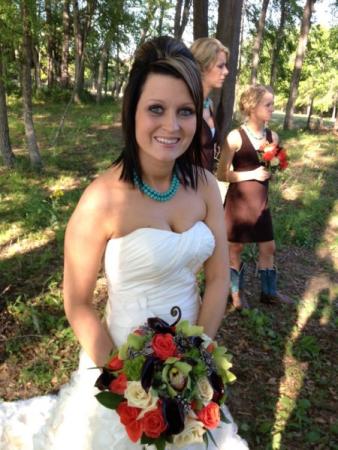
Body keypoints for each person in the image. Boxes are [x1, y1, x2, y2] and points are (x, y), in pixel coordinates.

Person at [0, 37, 248, 450]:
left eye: (185, 111)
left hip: (188, 371)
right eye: (156, 109)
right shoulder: (101, 198)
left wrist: (194, 364)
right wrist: (126, 381)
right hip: (117, 368)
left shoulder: (205, 185)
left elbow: (219, 277)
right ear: (131, 110)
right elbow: (78, 302)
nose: (171, 126)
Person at [217, 84, 292, 310]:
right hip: (239, 202)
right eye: (268, 104)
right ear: (252, 107)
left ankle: (269, 292)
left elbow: (273, 164)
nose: (272, 108)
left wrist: (276, 166)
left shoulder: (273, 136)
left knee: (268, 247)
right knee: (235, 248)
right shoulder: (235, 137)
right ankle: (235, 295)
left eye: (272, 104)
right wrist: (252, 174)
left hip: (261, 201)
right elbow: (221, 173)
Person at [190, 37, 229, 173]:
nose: (226, 71)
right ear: (202, 67)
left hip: (204, 185)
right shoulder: (185, 105)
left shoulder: (209, 104)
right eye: (220, 66)